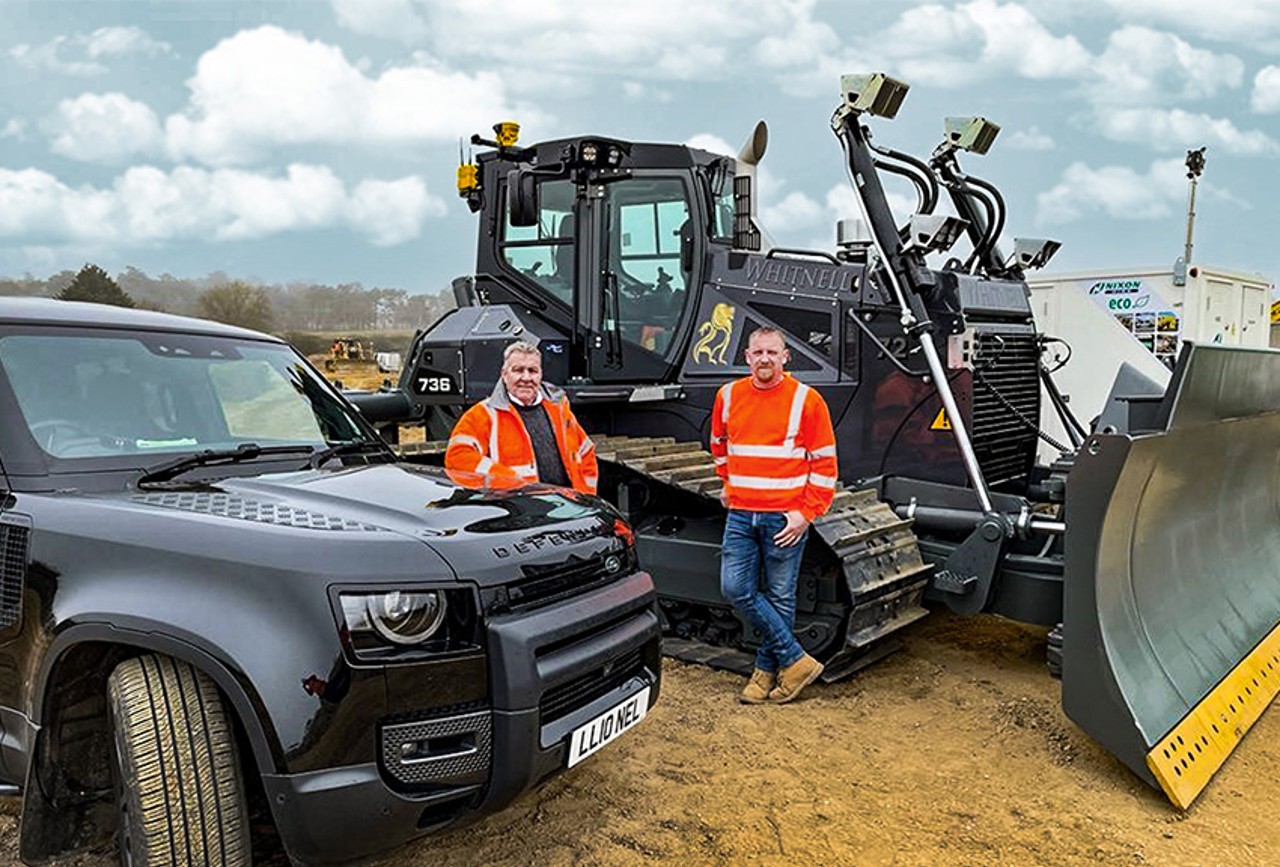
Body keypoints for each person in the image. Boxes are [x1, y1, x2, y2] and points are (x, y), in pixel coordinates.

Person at [710, 327, 837, 704]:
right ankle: (795, 659)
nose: (765, 358)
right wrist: (727, 481)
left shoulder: (807, 400)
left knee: (780, 595)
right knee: (735, 588)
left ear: (786, 357)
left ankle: (765, 673)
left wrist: (806, 514)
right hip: (741, 512)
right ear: (747, 357)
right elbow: (719, 443)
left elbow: (825, 463)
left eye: (772, 352)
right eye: (757, 352)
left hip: (784, 516)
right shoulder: (729, 395)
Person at [445, 340, 598, 494]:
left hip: (564, 508)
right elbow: (457, 458)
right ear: (504, 374)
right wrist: (507, 482)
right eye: (518, 370)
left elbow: (586, 453)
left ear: (540, 374)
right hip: (517, 509)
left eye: (532, 371)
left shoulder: (558, 410)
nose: (526, 378)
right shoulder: (483, 414)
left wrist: (585, 497)